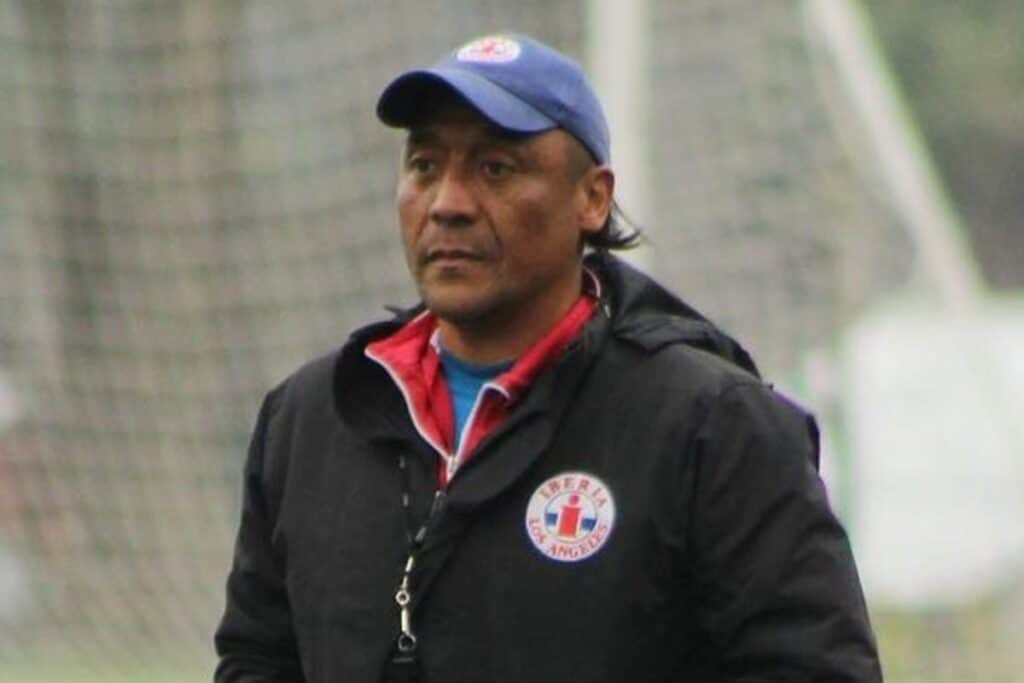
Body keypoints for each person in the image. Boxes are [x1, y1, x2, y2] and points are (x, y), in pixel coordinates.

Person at [214, 33, 882, 682]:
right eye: (424, 166)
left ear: (592, 197)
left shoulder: (715, 426)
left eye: (494, 168)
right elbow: (256, 658)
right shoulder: (310, 418)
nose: (447, 204)